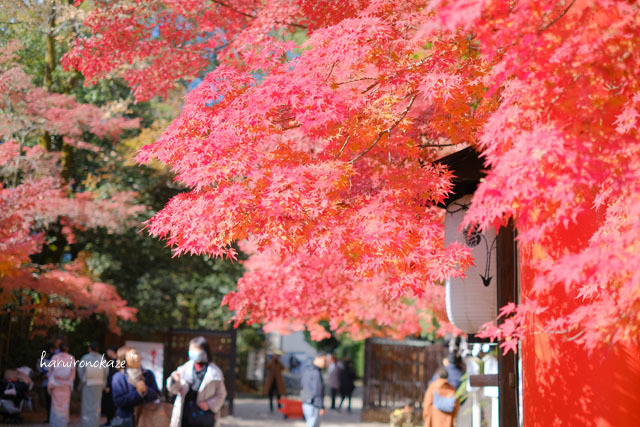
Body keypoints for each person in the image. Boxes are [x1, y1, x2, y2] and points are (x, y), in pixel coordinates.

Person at [167, 336, 227, 427]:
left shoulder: (215, 373)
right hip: (184, 415)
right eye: (191, 350)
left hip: (204, 417)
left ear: (204, 351)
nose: (192, 353)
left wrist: (209, 404)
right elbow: (173, 390)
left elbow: (221, 394)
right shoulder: (183, 369)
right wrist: (174, 380)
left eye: (196, 350)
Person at [111, 346, 160, 427]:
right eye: (132, 355)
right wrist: (137, 393)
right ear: (125, 360)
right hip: (126, 420)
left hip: (147, 418)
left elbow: (157, 396)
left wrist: (146, 390)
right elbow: (118, 401)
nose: (136, 357)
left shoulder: (148, 374)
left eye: (137, 353)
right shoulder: (118, 377)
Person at [78, 341, 108, 427]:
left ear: (90, 348)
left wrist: (83, 380)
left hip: (88, 383)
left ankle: (86, 424)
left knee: (87, 405)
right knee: (96, 405)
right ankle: (94, 424)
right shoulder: (102, 359)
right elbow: (106, 372)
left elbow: (81, 370)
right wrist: (103, 383)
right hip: (98, 383)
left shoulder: (85, 358)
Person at [47, 342, 76, 427]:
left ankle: (55, 423)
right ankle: (63, 423)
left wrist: (51, 382)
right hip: (66, 385)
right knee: (64, 405)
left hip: (56, 384)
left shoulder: (55, 357)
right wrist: (70, 382)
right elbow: (72, 373)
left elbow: (50, 371)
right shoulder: (71, 358)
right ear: (68, 349)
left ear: (58, 349)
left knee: (55, 405)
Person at [300, 353, 326, 427]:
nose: (325, 363)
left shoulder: (307, 369)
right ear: (318, 359)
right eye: (324, 360)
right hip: (314, 403)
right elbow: (318, 390)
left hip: (306, 401)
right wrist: (321, 406)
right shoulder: (316, 372)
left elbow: (302, 384)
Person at [36, 343, 55, 423]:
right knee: (48, 401)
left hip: (53, 383)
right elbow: (40, 369)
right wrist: (43, 374)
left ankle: (53, 417)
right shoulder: (42, 359)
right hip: (46, 383)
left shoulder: (55, 358)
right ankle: (49, 417)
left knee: (53, 401)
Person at [101, 346, 118, 426]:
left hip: (112, 386)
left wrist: (108, 385)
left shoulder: (116, 362)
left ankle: (110, 421)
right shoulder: (114, 361)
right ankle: (109, 420)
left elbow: (111, 375)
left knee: (110, 404)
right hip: (112, 385)